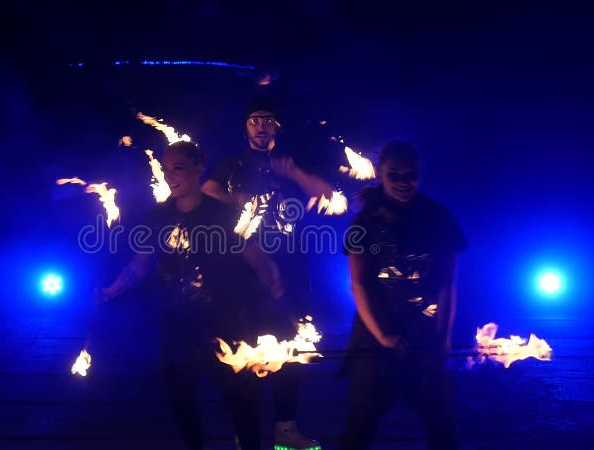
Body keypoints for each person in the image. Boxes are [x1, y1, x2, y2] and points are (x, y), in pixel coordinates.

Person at [99, 141, 283, 450]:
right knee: (181, 397)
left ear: (199, 168)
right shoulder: (156, 217)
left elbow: (254, 255)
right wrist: (112, 289)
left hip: (223, 321)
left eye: (179, 168)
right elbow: (140, 264)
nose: (171, 176)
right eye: (167, 169)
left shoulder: (223, 215)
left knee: (241, 396)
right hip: (177, 323)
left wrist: (273, 283)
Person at [202, 98, 328, 450]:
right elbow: (208, 192)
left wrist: (296, 174)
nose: (261, 125)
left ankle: (285, 429)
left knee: (293, 343)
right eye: (254, 120)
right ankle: (246, 433)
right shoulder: (233, 162)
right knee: (248, 345)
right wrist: (237, 199)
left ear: (278, 127)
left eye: (268, 120)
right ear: (245, 127)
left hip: (291, 265)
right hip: (244, 269)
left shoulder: (291, 161)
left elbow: (326, 195)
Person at [341, 140, 467, 450]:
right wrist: (383, 336)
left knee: (441, 426)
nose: (403, 182)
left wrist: (444, 336)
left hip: (424, 335)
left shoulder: (438, 218)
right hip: (374, 337)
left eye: (410, 175)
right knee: (359, 428)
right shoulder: (365, 223)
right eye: (394, 175)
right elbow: (358, 284)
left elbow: (447, 284)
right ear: (381, 175)